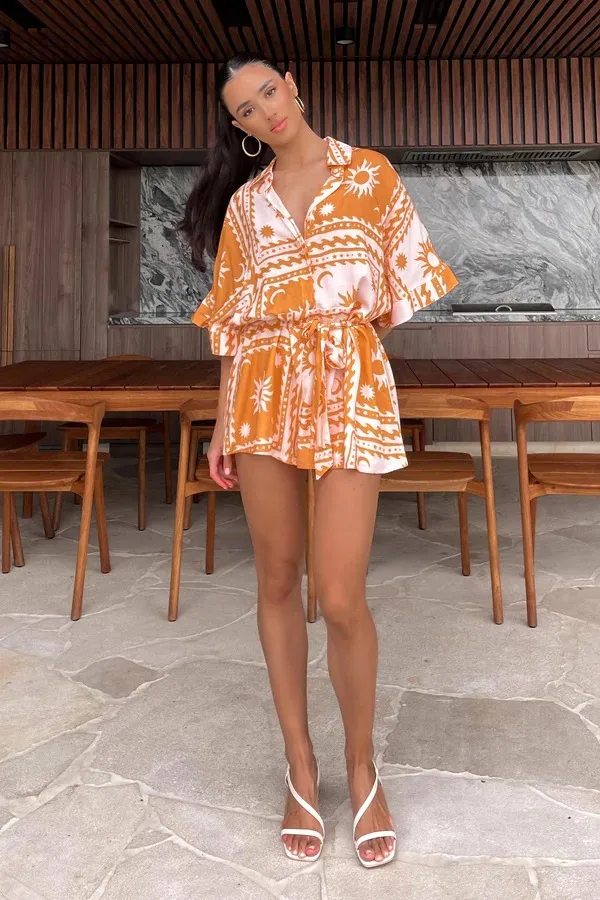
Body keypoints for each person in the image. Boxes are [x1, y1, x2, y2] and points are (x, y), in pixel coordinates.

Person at [181, 52, 458, 869]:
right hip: (261, 391)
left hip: (348, 382)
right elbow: (233, 324)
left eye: (269, 90)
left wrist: (343, 341)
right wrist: (223, 424)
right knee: (277, 580)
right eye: (245, 108)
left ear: (294, 87)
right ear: (238, 126)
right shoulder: (246, 207)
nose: (264, 110)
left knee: (339, 595)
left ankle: (362, 769)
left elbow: (400, 290)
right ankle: (300, 766)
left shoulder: (369, 174)